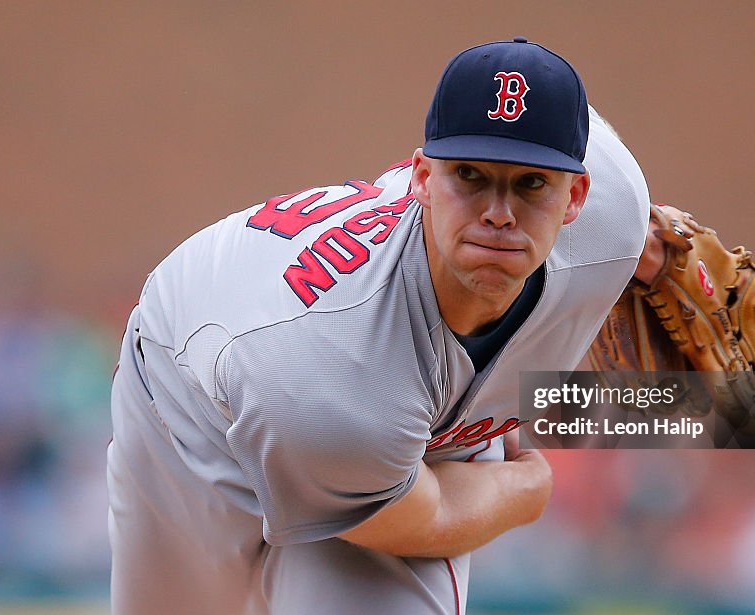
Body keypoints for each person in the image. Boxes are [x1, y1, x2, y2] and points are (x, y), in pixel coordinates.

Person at [108, 38, 653, 614]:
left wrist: (658, 254)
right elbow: (424, 516)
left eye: (532, 183)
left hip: (351, 408)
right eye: (469, 174)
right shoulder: (340, 386)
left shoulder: (618, 217)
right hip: (195, 388)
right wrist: (527, 489)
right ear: (420, 177)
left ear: (579, 196)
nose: (499, 212)